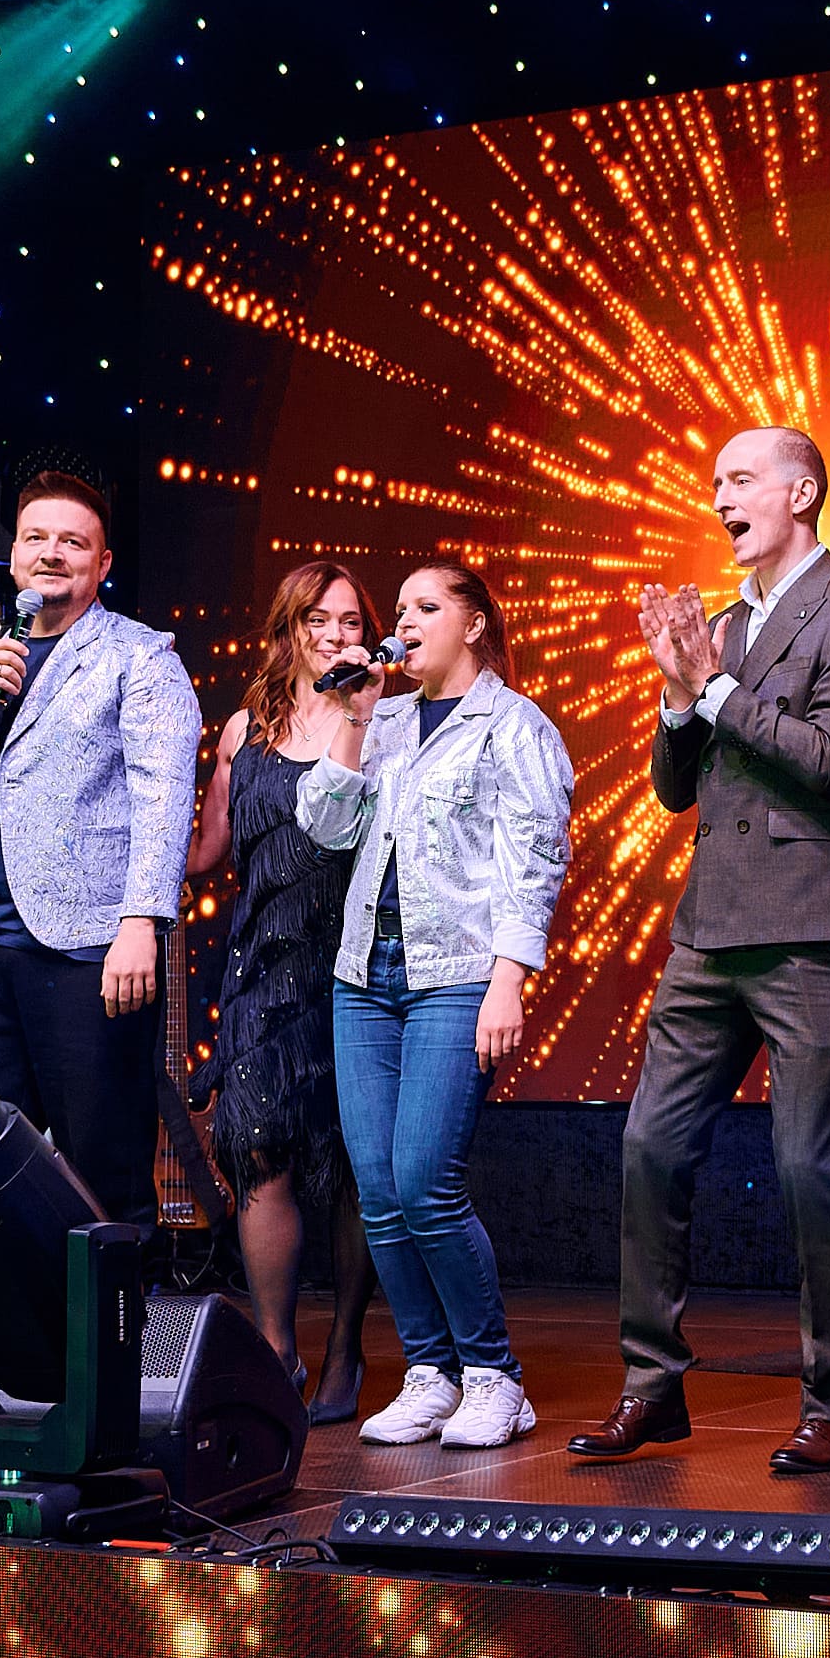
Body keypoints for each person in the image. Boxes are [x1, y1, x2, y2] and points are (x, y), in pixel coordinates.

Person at [575, 426, 830, 1476]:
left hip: (810, 927)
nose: (719, 497)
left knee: (809, 1167)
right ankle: (650, 1385)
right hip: (709, 928)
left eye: (740, 479)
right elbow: (676, 791)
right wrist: (680, 696)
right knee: (649, 1147)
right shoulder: (720, 626)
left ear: (800, 492)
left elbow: (829, 755)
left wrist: (714, 688)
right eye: (714, 482)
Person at [299, 561, 575, 1451]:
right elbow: (323, 828)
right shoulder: (380, 719)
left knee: (425, 1181)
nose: (404, 621)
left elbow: (535, 859)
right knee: (379, 1191)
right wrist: (351, 717)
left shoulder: (514, 726)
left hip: (455, 972)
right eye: (401, 607)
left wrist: (509, 980)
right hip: (363, 976)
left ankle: (494, 1376)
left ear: (475, 624)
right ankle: (430, 1370)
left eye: (427, 606)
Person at [0, 472, 203, 1227]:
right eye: (36, 537)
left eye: (73, 541)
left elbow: (164, 799)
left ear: (103, 563)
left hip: (88, 952)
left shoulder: (140, 656)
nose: (51, 553)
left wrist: (141, 923)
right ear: (13, 556)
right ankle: (5, 1310)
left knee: (104, 1174)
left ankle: (114, 1310)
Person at [186, 558, 385, 1423]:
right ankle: (276, 1350)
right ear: (288, 629)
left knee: (349, 1168)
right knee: (258, 1156)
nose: (335, 634)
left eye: (350, 620)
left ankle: (344, 1345)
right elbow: (205, 849)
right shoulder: (245, 728)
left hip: (354, 964)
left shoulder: (383, 718)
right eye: (317, 619)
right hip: (262, 971)